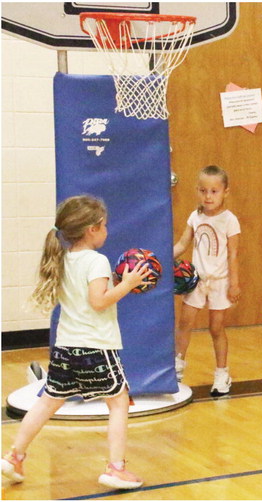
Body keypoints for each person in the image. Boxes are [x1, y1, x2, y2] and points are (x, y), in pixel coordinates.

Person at [1, 195, 152, 489]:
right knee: (119, 402)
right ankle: (116, 468)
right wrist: (128, 285)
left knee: (47, 403)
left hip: (65, 347)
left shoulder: (63, 258)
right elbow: (99, 302)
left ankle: (14, 456)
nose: (107, 229)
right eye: (104, 225)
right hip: (96, 347)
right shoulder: (96, 261)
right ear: (92, 229)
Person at [173, 165, 241, 396]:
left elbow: (233, 254)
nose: (208, 196)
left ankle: (222, 373)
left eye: (214, 191)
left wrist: (234, 283)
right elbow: (183, 244)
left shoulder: (229, 220)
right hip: (196, 282)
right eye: (203, 191)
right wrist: (159, 258)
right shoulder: (195, 216)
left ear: (225, 192)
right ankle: (177, 368)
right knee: (185, 323)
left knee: (216, 328)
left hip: (220, 282)